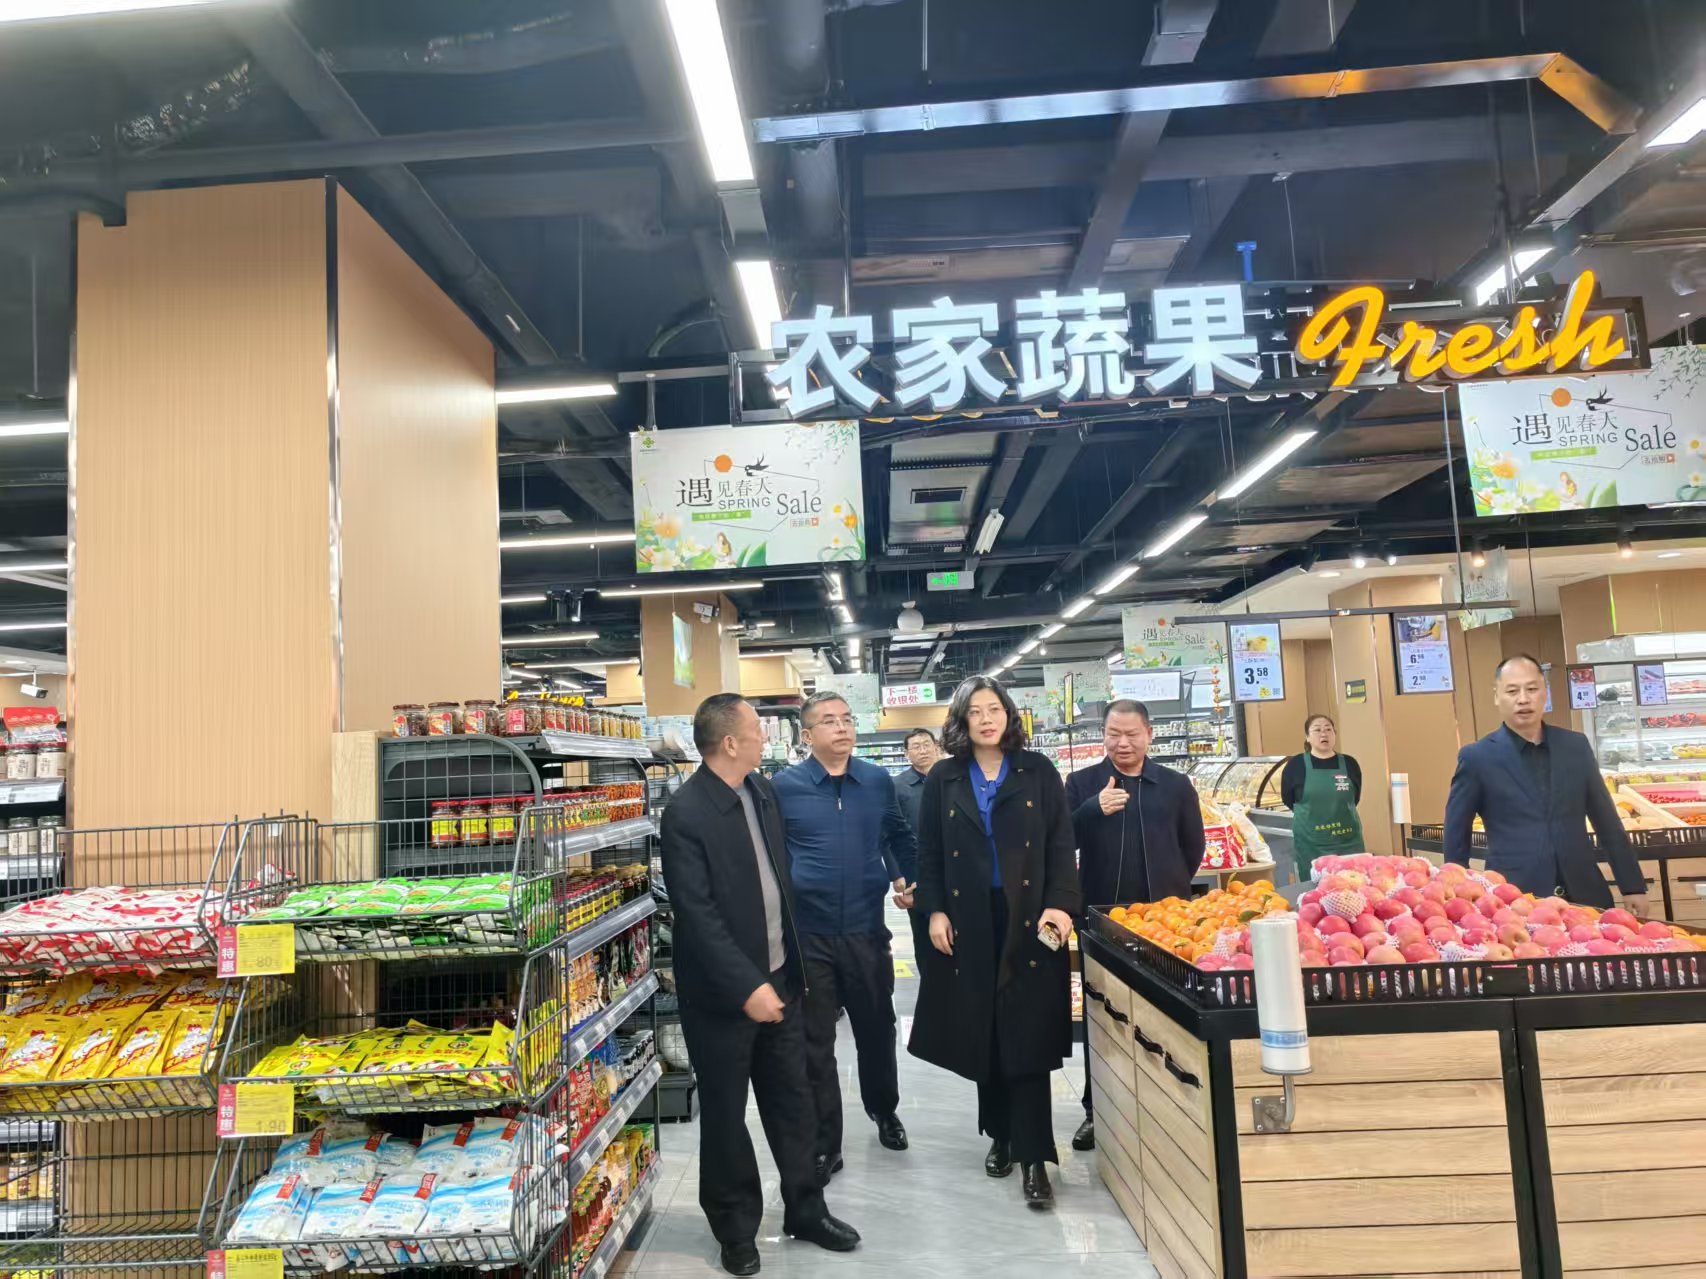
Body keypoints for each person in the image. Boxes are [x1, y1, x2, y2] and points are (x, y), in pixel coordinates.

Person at [659, 693, 860, 1275]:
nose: (764, 738)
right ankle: (735, 1229)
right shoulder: (686, 813)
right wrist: (747, 985)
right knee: (726, 1116)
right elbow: (697, 915)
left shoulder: (761, 791)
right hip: (723, 997)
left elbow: (778, 882)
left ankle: (806, 1208)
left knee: (793, 1102)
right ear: (729, 742)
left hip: (781, 979)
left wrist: (788, 970)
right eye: (756, 729)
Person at [909, 676, 1081, 1209]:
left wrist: (1062, 904)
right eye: (976, 712)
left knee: (1028, 1032)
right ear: (961, 721)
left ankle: (1035, 1156)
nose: (987, 719)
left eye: (995, 709)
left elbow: (1061, 843)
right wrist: (935, 909)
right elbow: (929, 851)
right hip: (969, 918)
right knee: (984, 1030)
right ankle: (1000, 1134)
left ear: (1009, 715)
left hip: (1031, 916)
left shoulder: (1038, 770)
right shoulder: (944, 777)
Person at [772, 692, 918, 1185]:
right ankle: (825, 1142)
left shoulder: (875, 781)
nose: (842, 728)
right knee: (815, 1041)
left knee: (877, 1028)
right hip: (808, 936)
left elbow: (897, 835)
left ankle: (884, 1109)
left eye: (847, 719)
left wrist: (910, 878)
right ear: (806, 735)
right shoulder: (784, 787)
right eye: (829, 721)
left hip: (865, 929)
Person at [1062, 698, 1205, 1153]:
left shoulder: (1175, 785)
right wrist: (1092, 809)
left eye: (1131, 734)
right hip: (1103, 925)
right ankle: (1097, 1110)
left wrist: (1171, 891)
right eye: (1113, 734)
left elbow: (1193, 847)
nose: (1122, 743)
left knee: (1167, 1018)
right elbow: (1061, 841)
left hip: (1169, 926)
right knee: (1103, 1013)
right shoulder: (1082, 783)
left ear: (1149, 735)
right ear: (1102, 736)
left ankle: (1169, 1109)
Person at [1444, 654, 1649, 913]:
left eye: (1532, 689)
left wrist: (1632, 885)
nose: (1523, 699)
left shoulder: (1575, 746)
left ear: (1545, 693)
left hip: (1585, 892)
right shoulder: (1477, 757)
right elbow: (1456, 832)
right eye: (1512, 691)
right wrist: (1457, 893)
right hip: (1513, 898)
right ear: (1497, 696)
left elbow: (1606, 819)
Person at [1280, 714, 1365, 881]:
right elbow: (1288, 799)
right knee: (1316, 888)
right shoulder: (1296, 765)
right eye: (1317, 730)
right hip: (1311, 844)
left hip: (1348, 842)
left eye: (1328, 729)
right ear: (1307, 737)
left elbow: (1355, 798)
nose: (1324, 734)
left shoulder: (1349, 763)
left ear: (1335, 734)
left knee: (1353, 884)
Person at [895, 728, 938, 833]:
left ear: (936, 748)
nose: (923, 751)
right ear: (906, 754)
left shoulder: (951, 780)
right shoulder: (896, 785)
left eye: (927, 745)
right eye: (916, 747)